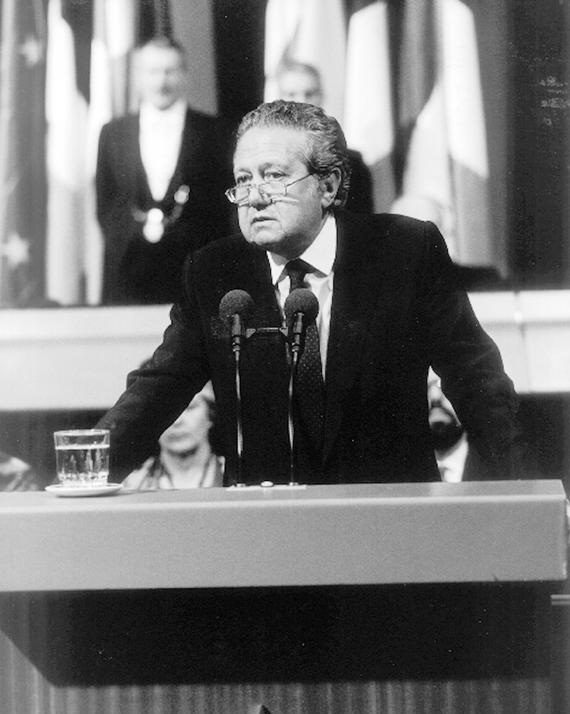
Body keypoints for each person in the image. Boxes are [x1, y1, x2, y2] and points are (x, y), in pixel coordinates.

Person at [97, 99, 532, 487]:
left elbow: (478, 382)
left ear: (327, 186)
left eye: (273, 176)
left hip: (391, 526)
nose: (255, 197)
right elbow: (157, 389)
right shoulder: (213, 272)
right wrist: (87, 473)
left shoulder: (404, 252)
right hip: (265, 537)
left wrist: (520, 495)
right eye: (243, 180)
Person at [95, 36, 233, 305]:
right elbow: (105, 204)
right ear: (137, 76)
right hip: (127, 274)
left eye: (170, 71)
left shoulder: (215, 132)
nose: (161, 81)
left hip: (192, 274)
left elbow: (222, 207)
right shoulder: (112, 133)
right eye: (153, 71)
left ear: (184, 74)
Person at [275, 60, 373, 214]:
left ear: (321, 97)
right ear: (277, 100)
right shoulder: (261, 160)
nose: (301, 101)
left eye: (309, 93)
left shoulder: (353, 165)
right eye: (291, 94)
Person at [123, 384, 223, 490]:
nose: (176, 421)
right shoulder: (129, 485)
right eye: (164, 410)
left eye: (189, 407)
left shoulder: (236, 478)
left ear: (211, 414)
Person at [427, 369, 489, 482]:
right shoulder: (398, 471)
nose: (435, 397)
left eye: (444, 387)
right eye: (424, 390)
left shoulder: (506, 464)